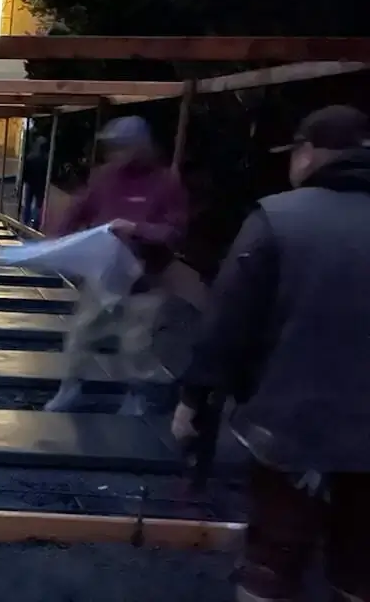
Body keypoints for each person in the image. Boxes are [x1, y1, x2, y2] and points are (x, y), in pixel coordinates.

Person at [171, 105, 370, 602]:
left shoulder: (280, 218)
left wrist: (193, 400)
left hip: (293, 428)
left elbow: (228, 323)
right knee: (361, 565)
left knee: (273, 559)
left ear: (309, 153)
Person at [44, 115, 188, 415]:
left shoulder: (165, 183)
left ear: (140, 147)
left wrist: (137, 229)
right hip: (105, 276)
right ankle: (70, 388)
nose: (115, 154)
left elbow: (174, 232)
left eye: (121, 147)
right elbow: (79, 209)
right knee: (81, 332)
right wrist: (55, 242)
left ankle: (138, 395)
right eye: (112, 148)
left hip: (145, 279)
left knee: (137, 344)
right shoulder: (104, 177)